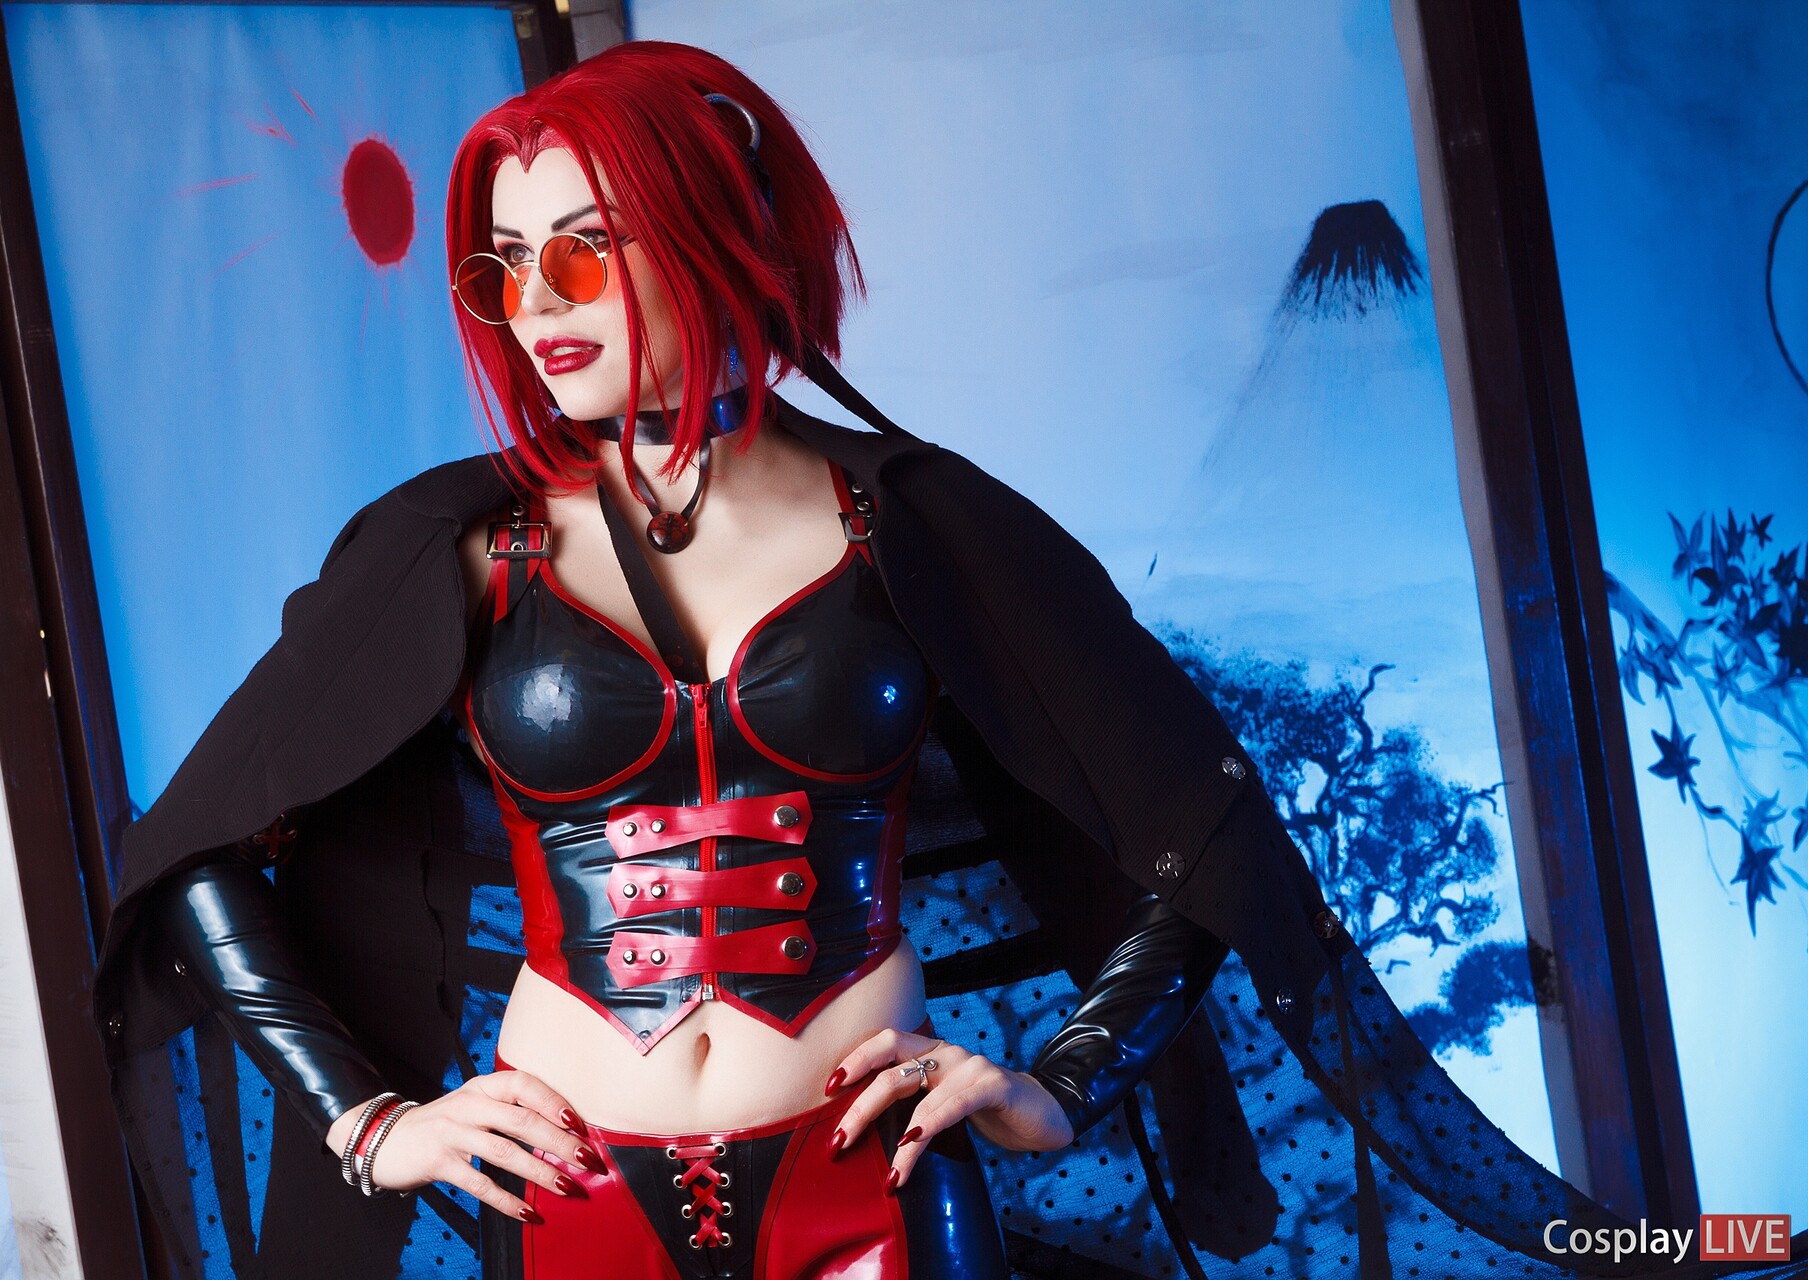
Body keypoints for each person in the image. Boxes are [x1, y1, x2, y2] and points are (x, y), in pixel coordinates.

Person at [91, 39, 1807, 1280]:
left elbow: (1202, 835)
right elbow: (199, 850)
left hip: (871, 1187)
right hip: (569, 1194)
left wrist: (1060, 1080)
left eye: (585, 247)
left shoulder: (915, 523)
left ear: (710, 230)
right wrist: (371, 1120)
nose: (538, 301)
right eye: (506, 263)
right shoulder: (454, 547)